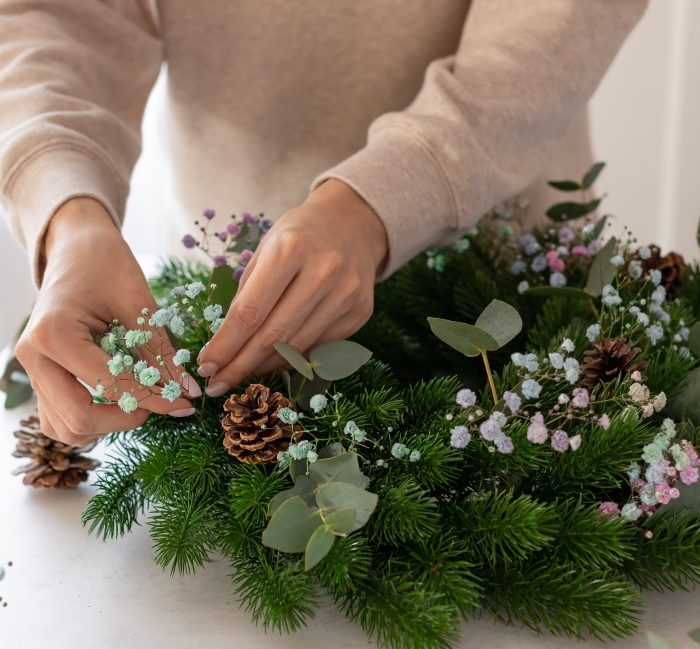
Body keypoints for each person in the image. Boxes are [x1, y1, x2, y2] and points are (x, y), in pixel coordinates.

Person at [0, 0, 647, 446]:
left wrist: (382, 198)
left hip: (508, 297)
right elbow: (57, 14)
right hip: (230, 310)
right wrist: (69, 213)